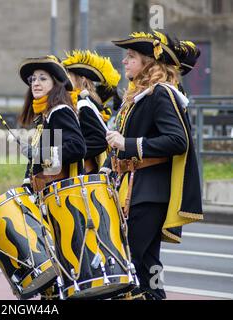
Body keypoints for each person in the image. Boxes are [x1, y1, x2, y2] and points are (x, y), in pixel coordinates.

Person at [100, 31, 203, 300]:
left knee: (127, 263)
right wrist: (109, 167)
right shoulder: (142, 96)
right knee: (147, 265)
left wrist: (128, 144)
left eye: (132, 57)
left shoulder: (161, 94)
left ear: (149, 63)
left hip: (149, 194)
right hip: (137, 190)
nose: (125, 62)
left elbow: (178, 141)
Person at [18, 55, 86, 194]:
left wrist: (40, 154)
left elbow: (77, 147)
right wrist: (26, 187)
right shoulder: (45, 115)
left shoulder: (60, 111)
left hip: (62, 196)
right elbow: (37, 163)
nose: (35, 83)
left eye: (42, 78)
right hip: (47, 194)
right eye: (33, 79)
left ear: (55, 83)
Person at [62, 50, 121, 173]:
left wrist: (71, 152)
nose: (63, 80)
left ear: (82, 80)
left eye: (68, 75)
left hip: (85, 176)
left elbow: (100, 140)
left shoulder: (82, 105)